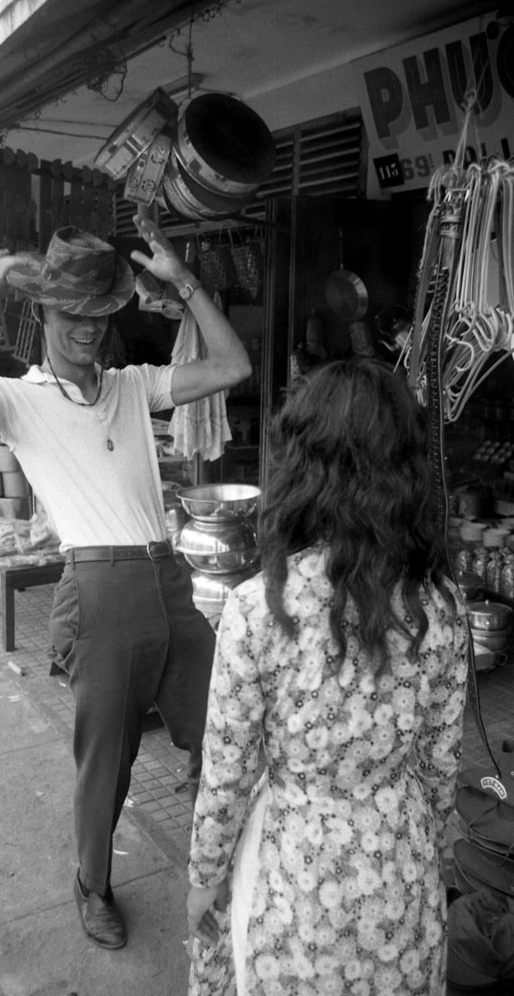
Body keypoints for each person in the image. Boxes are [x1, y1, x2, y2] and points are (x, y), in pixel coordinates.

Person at [0, 214, 252, 951]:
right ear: (43, 313)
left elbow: (231, 369)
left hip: (168, 578)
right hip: (99, 590)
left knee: (222, 737)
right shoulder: (18, 399)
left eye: (100, 317)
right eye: (71, 315)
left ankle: (214, 865)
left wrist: (184, 283)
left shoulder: (133, 385)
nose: (88, 332)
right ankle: (91, 885)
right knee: (107, 760)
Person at [186, 359, 469, 995]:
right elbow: (441, 771)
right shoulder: (442, 608)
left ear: (302, 466)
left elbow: (226, 775)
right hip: (400, 867)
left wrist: (203, 882)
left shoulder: (259, 608)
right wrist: (418, 838)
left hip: (293, 878)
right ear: (405, 471)